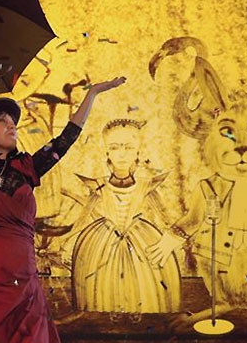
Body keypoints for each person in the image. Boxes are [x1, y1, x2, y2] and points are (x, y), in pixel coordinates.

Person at [0, 77, 126, 343]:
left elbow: (67, 138)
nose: (12, 125)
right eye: (3, 120)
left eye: (13, 121)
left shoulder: (25, 167)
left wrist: (93, 93)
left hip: (24, 283)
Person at [61, 118, 180, 319]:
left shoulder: (146, 185)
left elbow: (166, 218)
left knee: (142, 276)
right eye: (115, 147)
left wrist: (174, 238)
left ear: (138, 152)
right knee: (104, 278)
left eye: (128, 147)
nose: (122, 154)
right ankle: (111, 308)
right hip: (103, 240)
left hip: (141, 239)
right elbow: (83, 217)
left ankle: (137, 308)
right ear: (107, 152)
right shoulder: (98, 185)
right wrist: (68, 243)